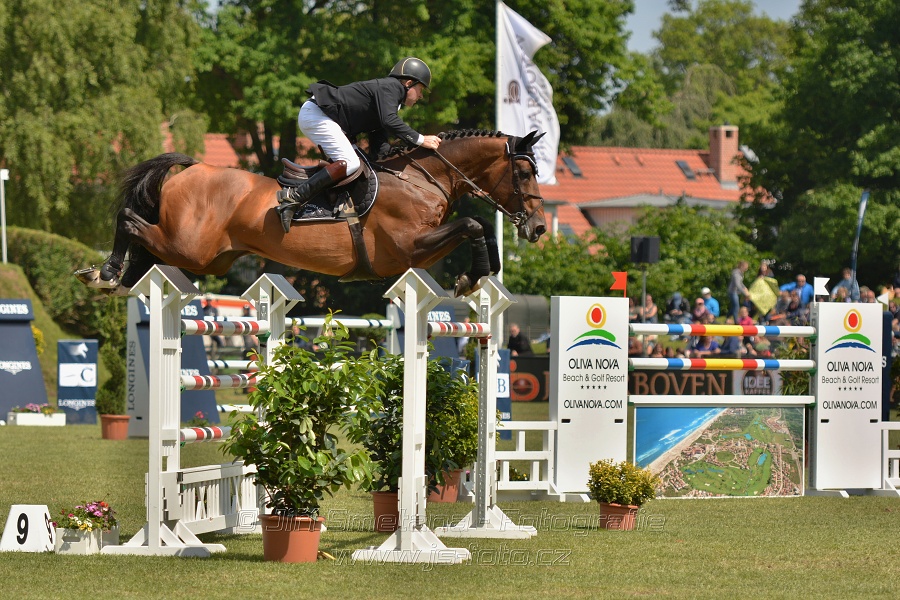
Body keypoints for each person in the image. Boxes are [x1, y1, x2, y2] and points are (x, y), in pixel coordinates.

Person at [276, 57, 442, 231]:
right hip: (317, 115)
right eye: (421, 89)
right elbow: (389, 121)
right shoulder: (391, 87)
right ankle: (294, 198)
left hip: (327, 119)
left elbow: (380, 149)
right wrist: (421, 139)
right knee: (351, 163)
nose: (421, 96)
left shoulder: (388, 101)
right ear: (408, 83)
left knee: (363, 165)